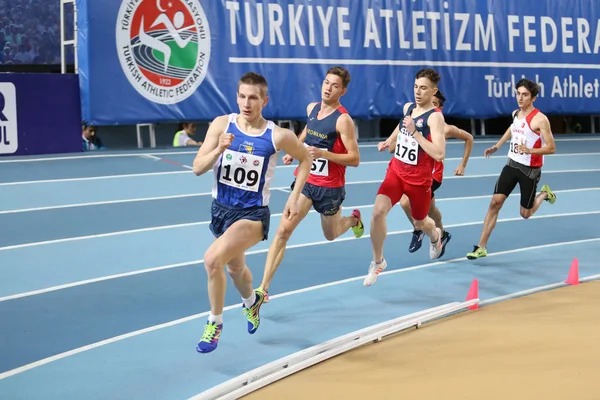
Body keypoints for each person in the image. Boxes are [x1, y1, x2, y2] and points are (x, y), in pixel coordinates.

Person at [191, 72, 312, 353]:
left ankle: (214, 323)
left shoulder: (278, 135)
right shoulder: (222, 125)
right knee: (235, 269)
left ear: (264, 101)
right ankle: (251, 302)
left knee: (212, 261)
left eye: (253, 98)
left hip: (252, 215)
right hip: (221, 210)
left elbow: (305, 158)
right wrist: (219, 149)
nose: (247, 103)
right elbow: (197, 167)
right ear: (237, 97)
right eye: (242, 96)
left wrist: (295, 196)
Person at [257, 66, 364, 301]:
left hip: (330, 188)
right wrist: (295, 148)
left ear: (342, 91)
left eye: (335, 85)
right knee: (283, 231)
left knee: (331, 234)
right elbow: (308, 130)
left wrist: (324, 154)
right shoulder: (312, 108)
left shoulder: (343, 120)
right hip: (306, 181)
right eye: (327, 82)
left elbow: (354, 159)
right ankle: (263, 288)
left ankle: (354, 219)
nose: (328, 88)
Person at [364, 68, 449, 287]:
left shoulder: (435, 118)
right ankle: (378, 262)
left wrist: (416, 133)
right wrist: (389, 140)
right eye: (415, 87)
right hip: (396, 172)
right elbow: (401, 124)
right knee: (377, 212)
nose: (418, 92)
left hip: (419, 181)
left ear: (433, 91)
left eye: (423, 88)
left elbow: (439, 153)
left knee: (421, 222)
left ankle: (436, 237)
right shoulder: (408, 108)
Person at [466, 78, 556, 259]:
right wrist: (497, 146)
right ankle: (481, 246)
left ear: (533, 98)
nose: (520, 98)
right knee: (495, 203)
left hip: (529, 170)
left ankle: (545, 194)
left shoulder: (540, 119)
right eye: (518, 94)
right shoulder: (516, 113)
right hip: (512, 164)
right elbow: (512, 128)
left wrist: (530, 150)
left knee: (525, 213)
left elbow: (552, 148)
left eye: (525, 95)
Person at [399, 89, 474, 254]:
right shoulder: (416, 122)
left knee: (405, 201)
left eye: (434, 104)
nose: (430, 107)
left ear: (440, 109)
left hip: (432, 176)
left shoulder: (445, 128)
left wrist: (463, 164)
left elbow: (469, 138)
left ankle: (418, 230)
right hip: (416, 172)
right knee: (431, 209)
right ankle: (443, 234)